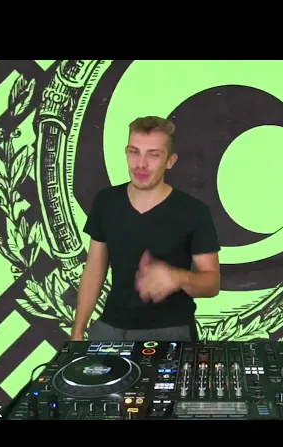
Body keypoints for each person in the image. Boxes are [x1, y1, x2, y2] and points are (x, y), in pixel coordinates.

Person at [70, 116, 221, 342]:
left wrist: (178, 277)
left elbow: (212, 283)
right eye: (134, 152)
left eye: (153, 154)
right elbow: (94, 269)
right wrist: (78, 330)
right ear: (126, 152)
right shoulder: (106, 201)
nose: (141, 164)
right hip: (111, 328)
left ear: (170, 161)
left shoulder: (194, 211)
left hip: (172, 331)